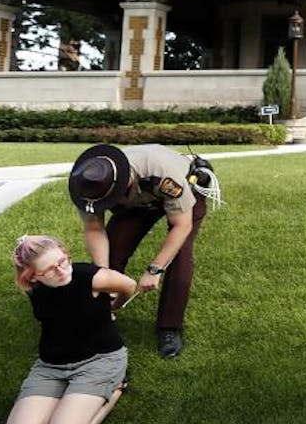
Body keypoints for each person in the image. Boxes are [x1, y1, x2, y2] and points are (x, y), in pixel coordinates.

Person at [67, 143, 212, 359]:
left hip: (185, 191)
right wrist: (105, 274)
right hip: (136, 202)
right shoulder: (86, 183)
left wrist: (155, 269)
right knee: (114, 248)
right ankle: (103, 316)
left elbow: (182, 225)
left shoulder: (163, 176)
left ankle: (169, 328)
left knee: (179, 257)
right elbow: (94, 228)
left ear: (126, 181)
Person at [5, 235, 136, 424]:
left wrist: (111, 308)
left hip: (99, 360)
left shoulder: (91, 277)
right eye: (49, 269)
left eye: (63, 261)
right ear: (33, 277)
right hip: (51, 367)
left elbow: (129, 286)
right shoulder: (35, 290)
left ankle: (114, 392)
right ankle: (62, 403)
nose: (62, 270)